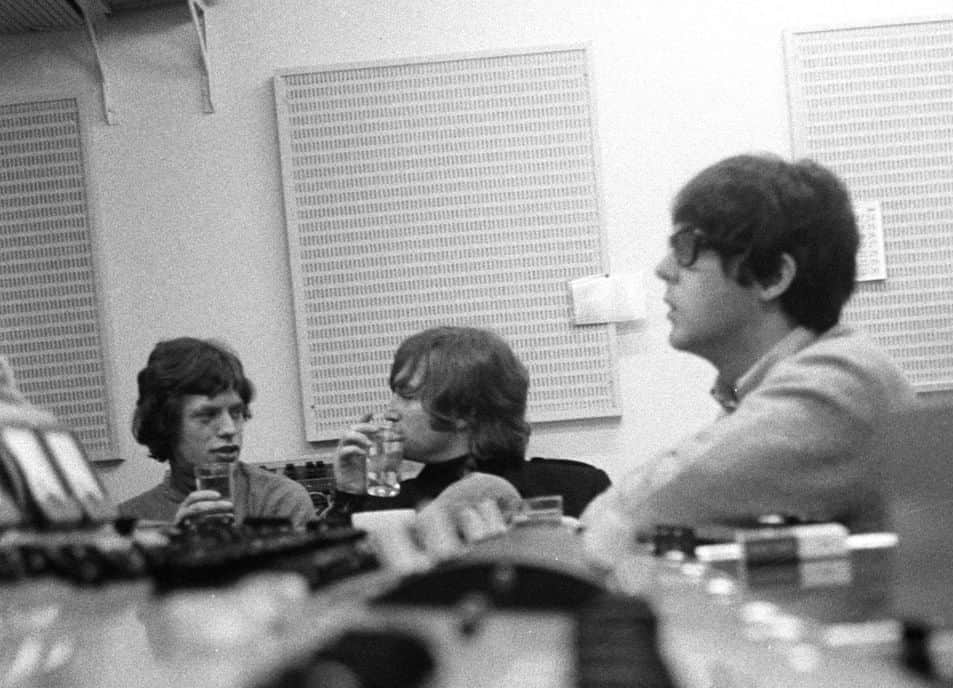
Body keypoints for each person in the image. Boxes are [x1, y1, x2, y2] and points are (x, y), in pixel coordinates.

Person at [578, 152, 917, 565]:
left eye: (686, 247)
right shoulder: (775, 385)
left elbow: (620, 515)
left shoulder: (839, 383)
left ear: (772, 276)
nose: (663, 269)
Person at [321, 325, 611, 523]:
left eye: (407, 396)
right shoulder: (387, 506)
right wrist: (350, 495)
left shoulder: (579, 487)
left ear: (465, 411)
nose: (391, 411)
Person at [118, 337, 317, 528]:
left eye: (236, 412)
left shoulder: (280, 500)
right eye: (208, 415)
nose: (229, 429)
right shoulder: (128, 523)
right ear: (166, 425)